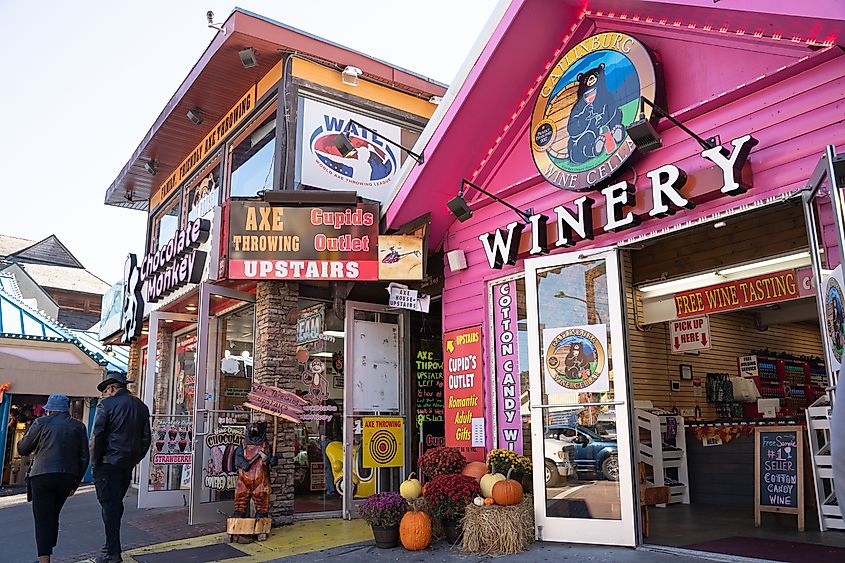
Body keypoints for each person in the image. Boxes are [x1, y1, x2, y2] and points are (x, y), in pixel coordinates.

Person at [17, 394, 89, 563]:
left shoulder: (41, 423)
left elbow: (23, 449)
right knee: (53, 514)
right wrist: (75, 484)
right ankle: (48, 551)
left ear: (49, 409)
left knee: (42, 517)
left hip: (42, 475)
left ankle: (44, 560)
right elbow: (84, 457)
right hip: (67, 477)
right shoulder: (78, 426)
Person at [90, 371, 151, 563]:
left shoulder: (106, 405)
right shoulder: (140, 406)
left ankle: (112, 552)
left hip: (107, 463)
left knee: (109, 506)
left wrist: (94, 462)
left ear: (111, 388)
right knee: (115, 504)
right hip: (127, 463)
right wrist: (135, 457)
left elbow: (97, 437)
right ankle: (110, 547)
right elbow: (146, 438)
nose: (106, 394)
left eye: (107, 390)